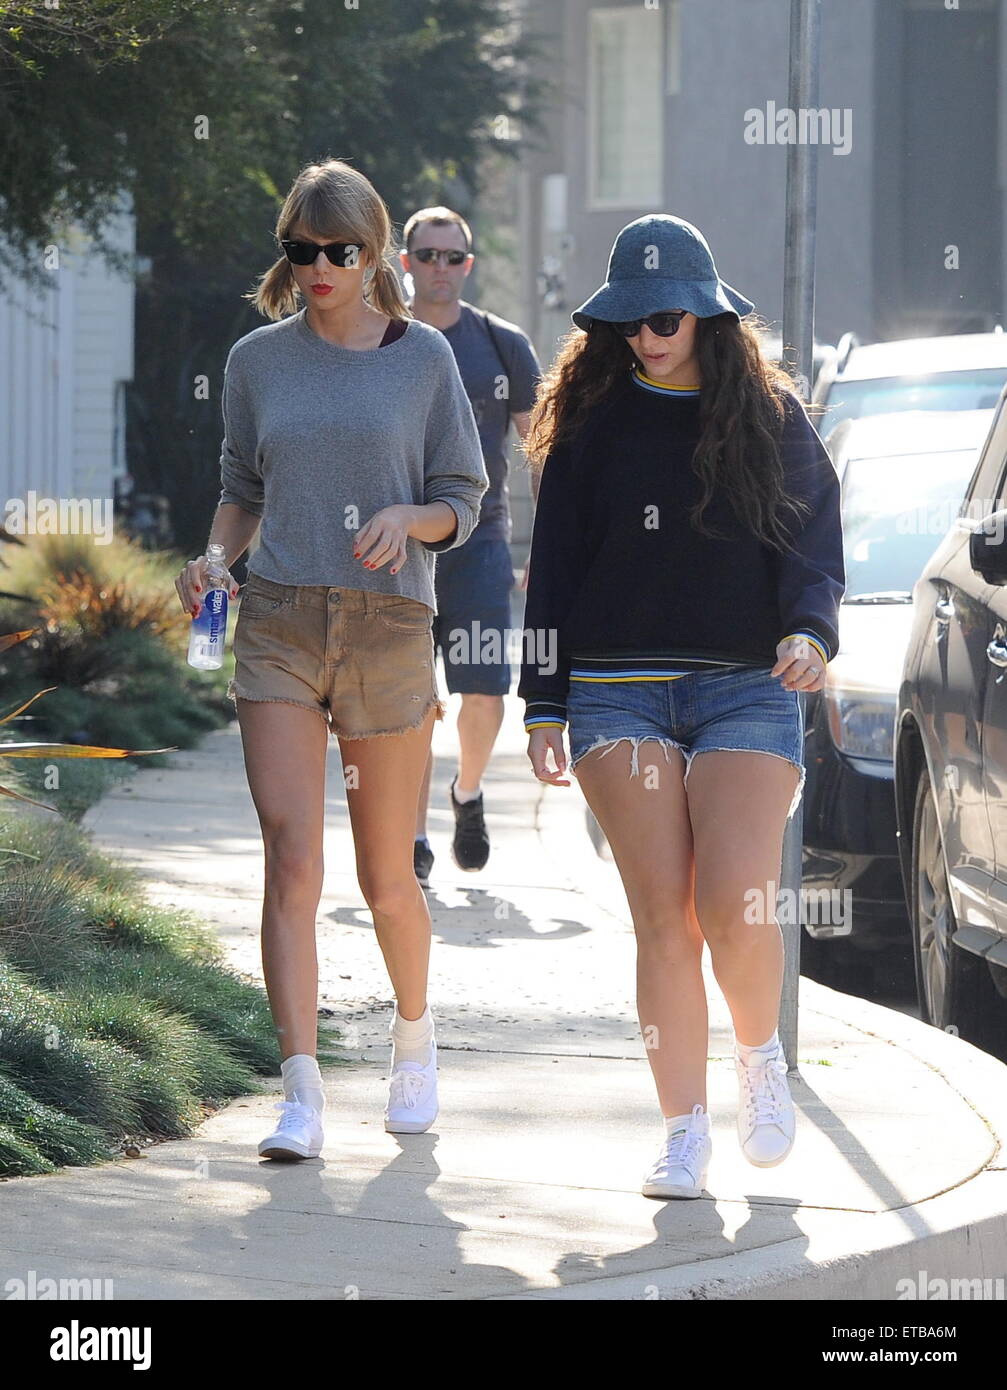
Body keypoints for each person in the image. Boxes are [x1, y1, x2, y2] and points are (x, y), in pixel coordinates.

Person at [518, 214, 844, 1199]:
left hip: (746, 683)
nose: (645, 337)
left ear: (705, 313)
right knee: (663, 920)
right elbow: (554, 574)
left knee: (732, 905)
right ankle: (681, 1131)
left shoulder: (769, 417)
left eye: (663, 317)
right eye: (627, 322)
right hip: (617, 691)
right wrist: (540, 699)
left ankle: (759, 1062)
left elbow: (812, 542)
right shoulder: (588, 427)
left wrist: (807, 631)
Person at [174, 159, 487, 1160]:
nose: (317, 267)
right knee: (291, 859)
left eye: (337, 250)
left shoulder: (424, 361)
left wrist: (410, 514)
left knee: (386, 876)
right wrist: (214, 558)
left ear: (375, 251)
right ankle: (300, 1091)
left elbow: (462, 500)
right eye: (300, 250)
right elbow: (239, 487)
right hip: (276, 622)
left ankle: (412, 1038)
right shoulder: (256, 361)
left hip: (388, 622)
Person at [398, 207, 541, 884]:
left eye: (452, 257)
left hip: (479, 543)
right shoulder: (379, 337)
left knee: (483, 693)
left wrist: (549, 545)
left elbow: (544, 446)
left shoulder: (501, 343)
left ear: (468, 265)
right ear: (405, 262)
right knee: (412, 700)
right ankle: (414, 832)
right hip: (395, 546)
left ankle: (467, 793)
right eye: (427, 256)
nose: (439, 269)